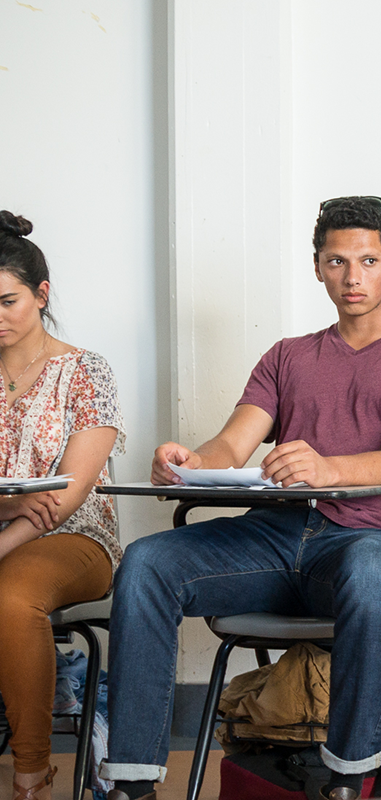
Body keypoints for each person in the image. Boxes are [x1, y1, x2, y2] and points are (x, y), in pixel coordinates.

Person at [99, 197, 381, 800]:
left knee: (370, 571)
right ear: (318, 267)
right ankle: (131, 783)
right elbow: (231, 443)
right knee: (146, 562)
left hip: (379, 540)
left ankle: (350, 778)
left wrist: (326, 465)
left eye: (368, 261)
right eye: (336, 262)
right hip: (274, 539)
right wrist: (192, 462)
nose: (353, 278)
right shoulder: (289, 355)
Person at [0, 211, 124, 800]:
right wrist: (15, 514)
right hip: (13, 526)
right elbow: (31, 501)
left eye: (8, 301)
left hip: (76, 539)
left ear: (42, 294)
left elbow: (66, 496)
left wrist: (8, 532)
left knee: (9, 596)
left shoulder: (85, 371)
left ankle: (31, 773)